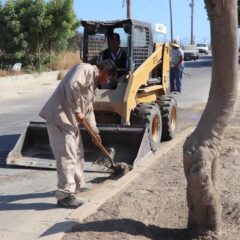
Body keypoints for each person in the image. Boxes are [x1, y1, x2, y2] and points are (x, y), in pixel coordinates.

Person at [39, 60, 117, 209]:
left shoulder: (92, 86)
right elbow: (72, 85)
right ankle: (65, 196)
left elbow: (88, 111)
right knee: (67, 156)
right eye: (108, 78)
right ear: (106, 73)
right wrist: (76, 110)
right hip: (59, 118)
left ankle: (78, 184)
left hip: (70, 123)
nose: (107, 81)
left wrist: (95, 132)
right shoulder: (86, 69)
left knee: (78, 152)